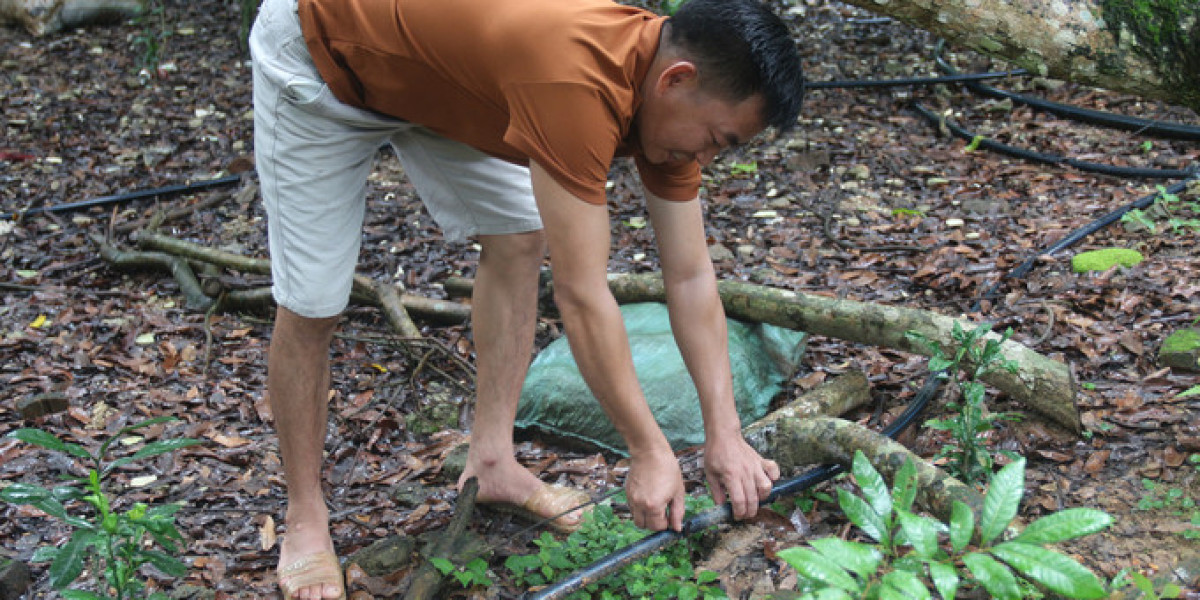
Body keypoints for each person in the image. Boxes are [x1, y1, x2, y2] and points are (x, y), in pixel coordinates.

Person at [249, 0, 805, 596]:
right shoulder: (574, 81)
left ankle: (492, 464)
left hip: (438, 78)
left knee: (519, 234)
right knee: (314, 303)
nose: (708, 159)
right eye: (717, 139)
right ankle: (305, 516)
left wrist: (726, 434)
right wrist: (648, 449)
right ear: (677, 80)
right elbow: (582, 293)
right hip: (325, 55)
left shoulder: (667, 106)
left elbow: (692, 278)